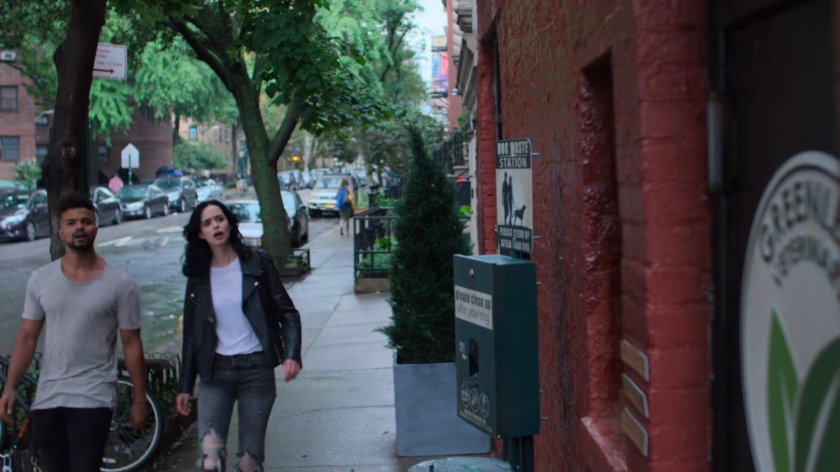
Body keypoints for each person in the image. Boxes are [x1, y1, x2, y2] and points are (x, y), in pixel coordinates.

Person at [0, 192, 147, 472]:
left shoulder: (120, 283)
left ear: (96, 227)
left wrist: (139, 399)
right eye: (71, 222)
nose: (79, 227)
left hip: (94, 396)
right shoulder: (40, 280)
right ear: (59, 230)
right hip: (49, 396)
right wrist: (10, 387)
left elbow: (131, 344)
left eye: (85, 221)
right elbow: (27, 338)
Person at [176, 200, 302, 472]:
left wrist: (292, 354)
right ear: (200, 233)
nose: (215, 226)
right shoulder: (198, 277)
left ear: (229, 223)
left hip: (255, 370)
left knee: (249, 461)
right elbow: (192, 335)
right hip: (215, 372)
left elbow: (287, 312)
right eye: (207, 223)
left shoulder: (258, 263)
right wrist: (185, 385)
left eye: (219, 219)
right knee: (209, 459)